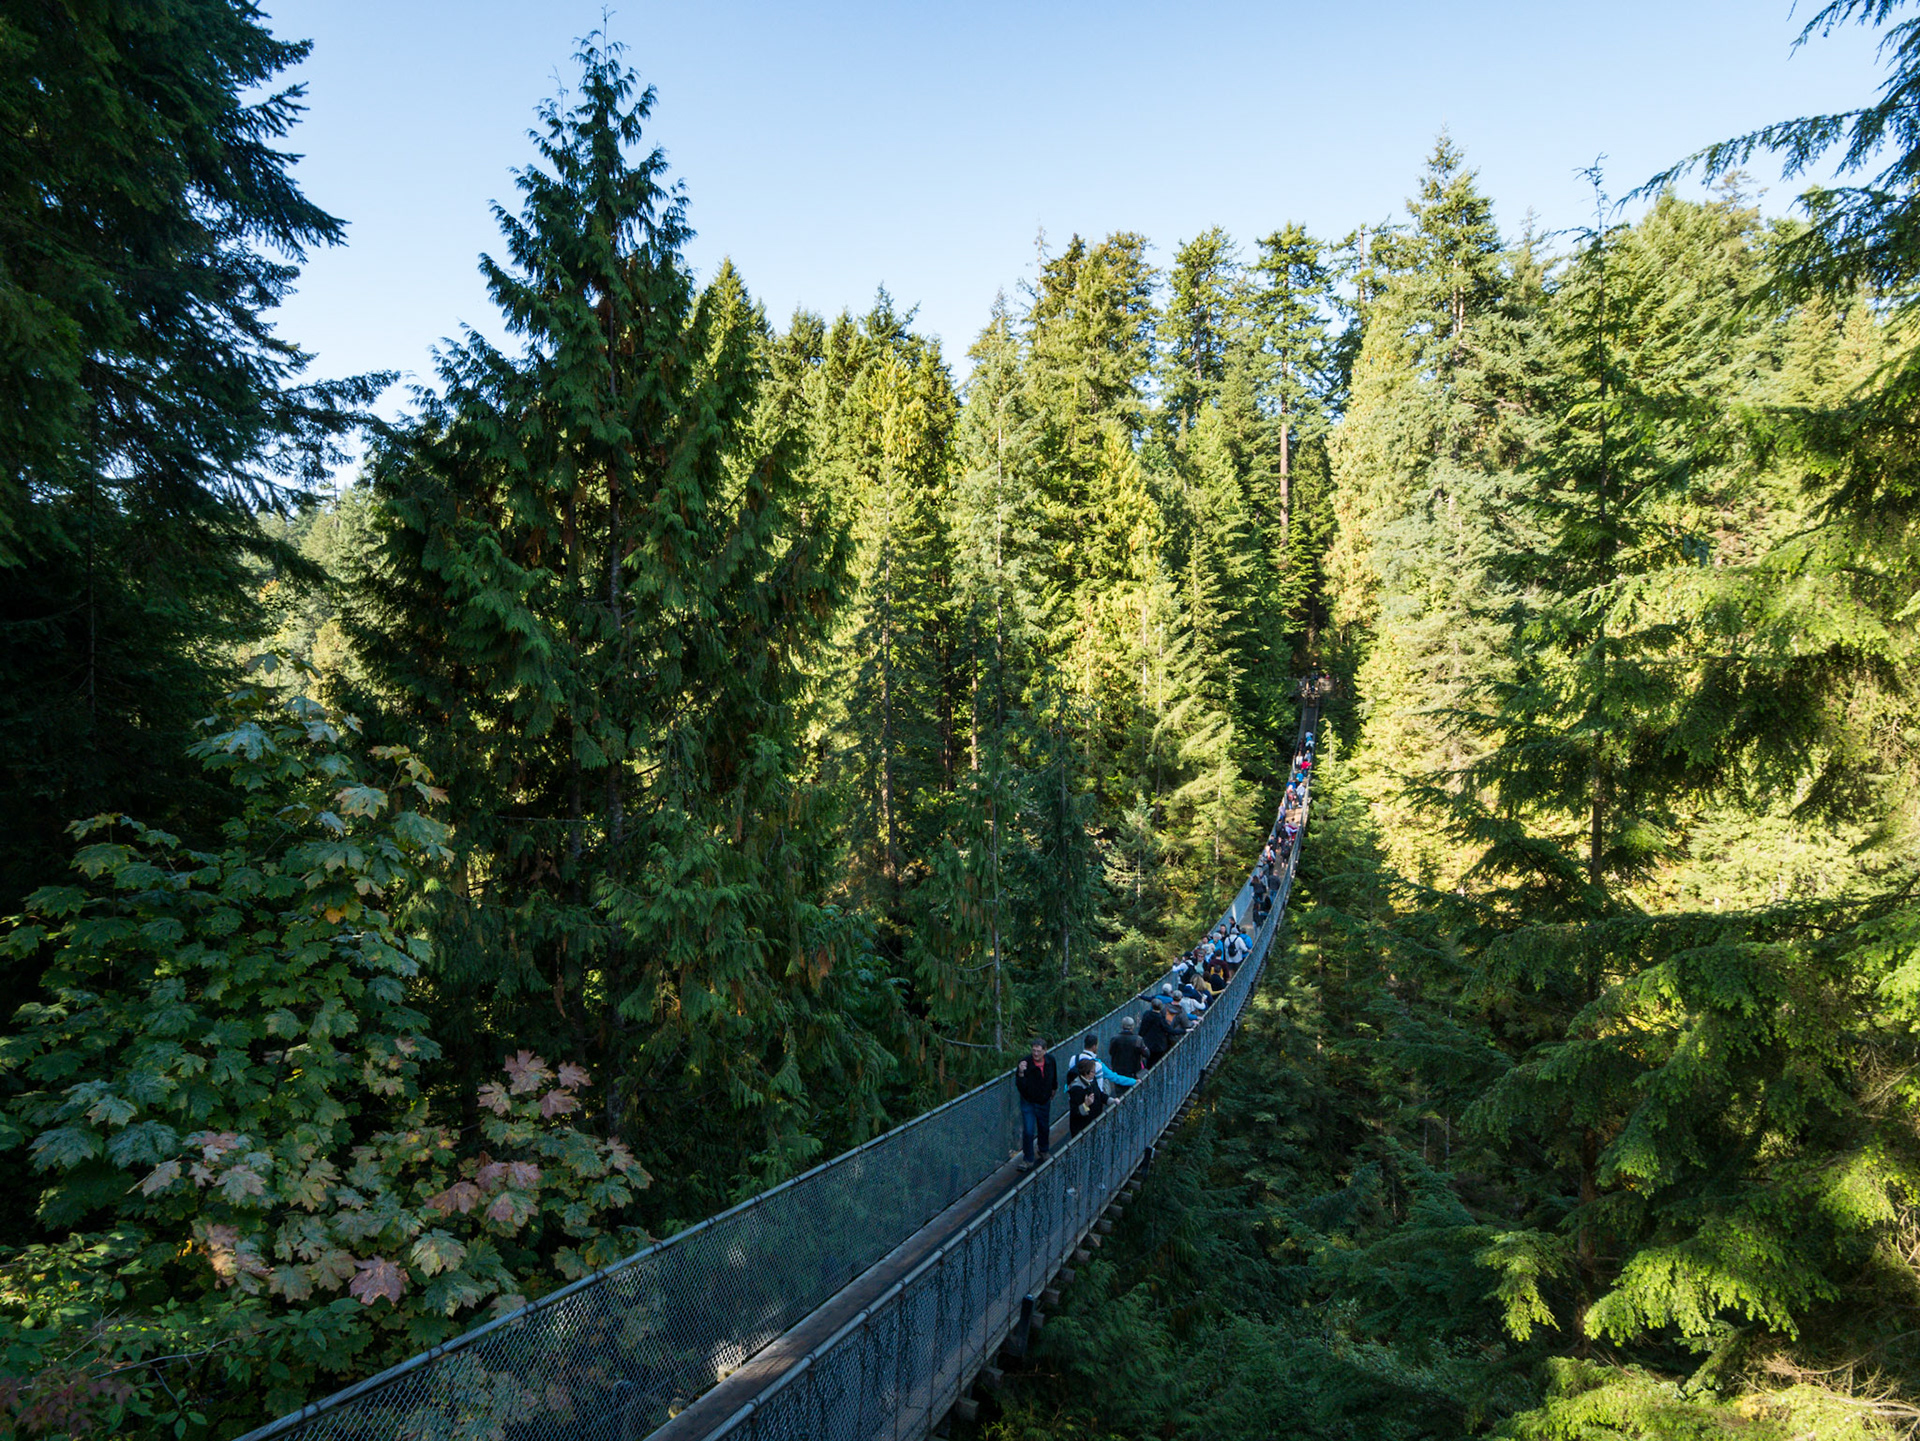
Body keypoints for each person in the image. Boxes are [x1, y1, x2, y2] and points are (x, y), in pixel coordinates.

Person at [1014, 1039, 1057, 1168]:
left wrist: (1054, 1089)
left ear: (1045, 1050)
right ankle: (1028, 1158)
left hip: (1044, 1100)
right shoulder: (1025, 1062)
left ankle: (1043, 1150)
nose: (1036, 1053)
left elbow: (1054, 1076)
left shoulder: (1050, 1060)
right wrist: (1021, 1072)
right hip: (1029, 1101)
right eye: (1034, 1050)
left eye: (1039, 1051)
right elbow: (1020, 1085)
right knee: (1028, 1130)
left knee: (1043, 1127)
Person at [1067, 1056, 1107, 1135]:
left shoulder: (1092, 1081)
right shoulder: (1076, 1088)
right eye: (1092, 1071)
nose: (1094, 1073)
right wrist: (1086, 1105)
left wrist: (1111, 1100)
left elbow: (1100, 1095)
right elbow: (1075, 1112)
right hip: (1082, 1128)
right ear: (1086, 1073)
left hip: (1094, 1123)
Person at [1140, 1000, 1174, 1066]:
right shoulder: (1161, 1018)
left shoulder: (1146, 1014)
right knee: (1156, 1062)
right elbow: (1170, 1030)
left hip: (1147, 1042)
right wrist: (1184, 1030)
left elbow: (1143, 1028)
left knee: (1149, 1060)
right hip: (1159, 1045)